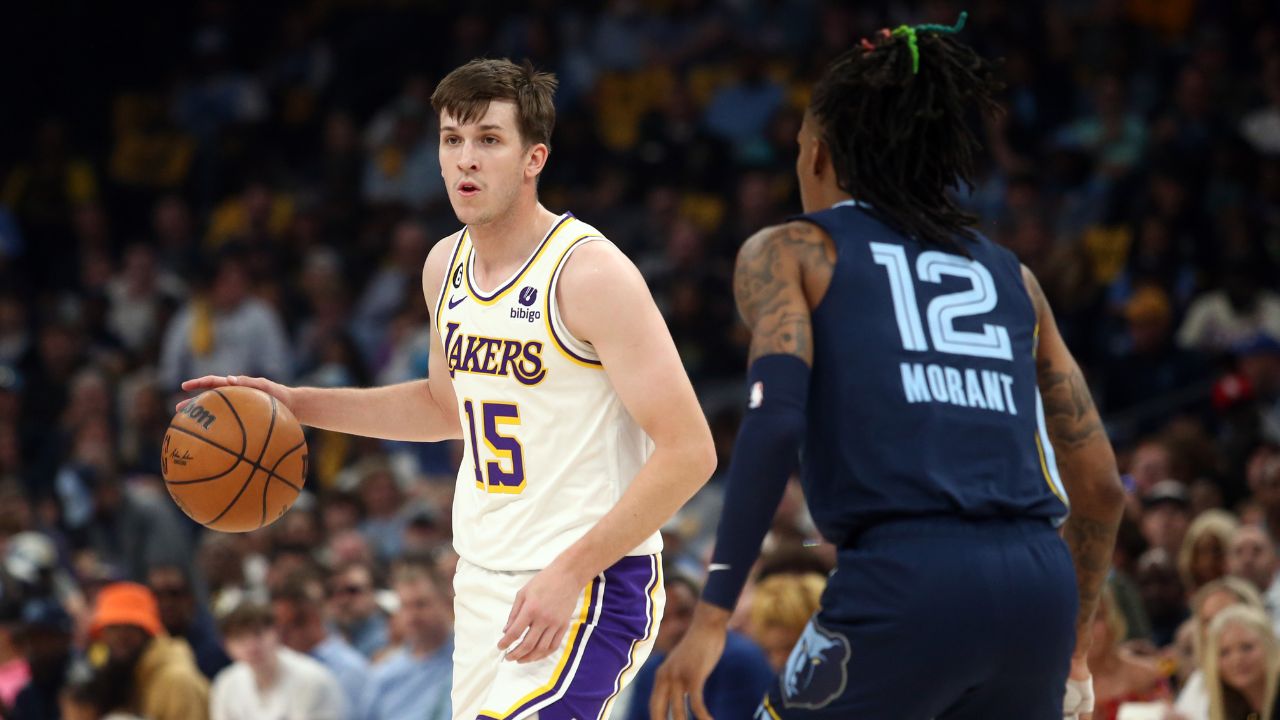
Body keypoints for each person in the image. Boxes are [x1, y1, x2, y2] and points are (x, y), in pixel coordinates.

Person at [180, 57, 716, 720]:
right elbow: (443, 407)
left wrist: (571, 570)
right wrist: (297, 404)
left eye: (489, 140)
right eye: (451, 139)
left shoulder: (590, 274)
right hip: (484, 582)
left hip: (588, 586)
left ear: (532, 158)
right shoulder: (445, 265)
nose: (466, 159)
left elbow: (691, 450)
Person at [652, 17, 1124, 720]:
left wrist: (715, 613)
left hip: (909, 580)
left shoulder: (793, 250)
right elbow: (1103, 487)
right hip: (1040, 590)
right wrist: (1076, 652)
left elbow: (776, 422)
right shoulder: (1014, 277)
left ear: (819, 154)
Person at [86, 582, 209, 720]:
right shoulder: (128, 675)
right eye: (112, 628)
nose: (120, 637)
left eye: (130, 628)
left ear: (148, 632)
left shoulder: (176, 680)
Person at [210, 599, 347, 720]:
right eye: (239, 638)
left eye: (258, 633)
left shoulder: (313, 679)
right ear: (225, 645)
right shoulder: (226, 683)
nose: (251, 646)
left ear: (275, 631)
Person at [357, 564, 452, 720]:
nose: (412, 616)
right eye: (404, 606)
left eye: (420, 605)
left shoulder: (469, 660)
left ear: (446, 604)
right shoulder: (383, 675)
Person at [272, 568, 369, 712]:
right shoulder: (277, 664)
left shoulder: (348, 669)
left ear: (312, 620)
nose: (280, 639)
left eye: (285, 629)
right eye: (275, 630)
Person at [1201, 605, 1279, 720]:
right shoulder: (1225, 706)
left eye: (1246, 647)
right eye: (1224, 653)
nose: (1237, 660)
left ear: (1270, 647)